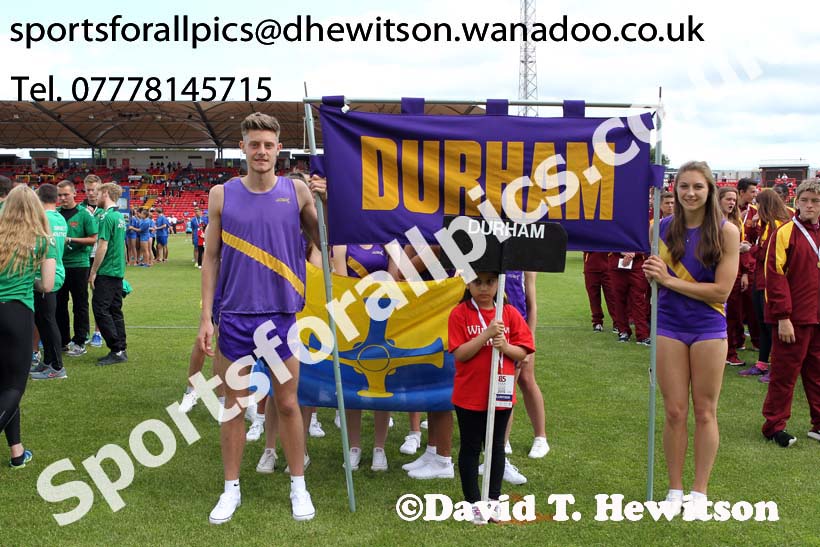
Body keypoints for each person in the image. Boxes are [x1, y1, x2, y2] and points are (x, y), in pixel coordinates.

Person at [197, 112, 326, 524]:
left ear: (278, 148)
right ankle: (230, 489)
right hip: (233, 316)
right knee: (233, 406)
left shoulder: (298, 190)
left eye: (269, 145)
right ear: (243, 148)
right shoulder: (222, 194)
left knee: (287, 403)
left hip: (282, 316)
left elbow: (323, 239)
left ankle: (298, 484)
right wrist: (206, 317)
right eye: (255, 144)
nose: (262, 151)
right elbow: (211, 257)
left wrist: (326, 202)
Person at [642, 161, 739, 518]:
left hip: (709, 327)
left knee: (704, 410)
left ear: (710, 189)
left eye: (698, 186)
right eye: (684, 186)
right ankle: (675, 488)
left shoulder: (726, 232)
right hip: (668, 325)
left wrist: (668, 280)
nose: (690, 193)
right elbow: (653, 278)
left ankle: (700, 491)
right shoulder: (660, 229)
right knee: (674, 411)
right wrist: (654, 275)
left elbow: (722, 290)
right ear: (675, 189)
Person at [448, 271, 534, 525]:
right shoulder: (459, 313)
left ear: (498, 283)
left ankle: (493, 500)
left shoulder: (509, 313)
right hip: (469, 395)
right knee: (471, 447)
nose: (484, 288)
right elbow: (460, 354)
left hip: (501, 393)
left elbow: (524, 352)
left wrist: (505, 346)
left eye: (489, 282)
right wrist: (486, 335)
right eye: (478, 282)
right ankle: (474, 503)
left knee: (496, 447)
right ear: (468, 284)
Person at [760, 179, 820, 447]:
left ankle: (818, 424)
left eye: (815, 201)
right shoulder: (785, 232)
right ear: (797, 201)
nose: (809, 205)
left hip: (817, 317)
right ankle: (774, 426)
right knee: (785, 375)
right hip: (793, 320)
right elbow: (774, 277)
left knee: (817, 374)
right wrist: (783, 317)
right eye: (804, 200)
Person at [0, 186, 56, 469]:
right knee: (13, 386)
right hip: (17, 313)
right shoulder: (42, 239)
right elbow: (47, 285)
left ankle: (17, 452)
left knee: (4, 384)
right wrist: (27, 282)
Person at [331, 243, 396, 471]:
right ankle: (354, 447)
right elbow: (340, 282)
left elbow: (394, 279)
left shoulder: (386, 241)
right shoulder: (342, 243)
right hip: (353, 319)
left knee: (381, 381)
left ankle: (380, 447)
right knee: (353, 383)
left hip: (383, 317)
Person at [738, 190, 792, 381]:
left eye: (758, 203)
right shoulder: (767, 224)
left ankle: (777, 367)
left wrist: (749, 249)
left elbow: (768, 255)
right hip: (760, 281)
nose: (755, 207)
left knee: (772, 325)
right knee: (763, 323)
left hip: (770, 282)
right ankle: (762, 364)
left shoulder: (778, 225)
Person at [502, 270, 549, 469]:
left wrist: (528, 342)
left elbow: (531, 303)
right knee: (503, 384)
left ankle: (540, 437)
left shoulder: (526, 257)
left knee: (523, 381)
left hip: (519, 330)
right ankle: (501, 440)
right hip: (496, 327)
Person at [55, 180, 98, 357]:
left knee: (80, 304)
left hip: (79, 265)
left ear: (74, 194)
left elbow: (93, 238)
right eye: (59, 195)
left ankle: (80, 341)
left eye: (66, 194)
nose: (63, 198)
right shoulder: (54, 214)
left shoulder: (84, 214)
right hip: (58, 265)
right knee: (59, 305)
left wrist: (71, 240)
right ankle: (63, 340)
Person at [30, 184, 68, 380]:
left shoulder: (43, 219)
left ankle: (57, 366)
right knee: (44, 321)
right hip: (56, 272)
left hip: (46, 275)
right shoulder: (60, 218)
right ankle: (48, 361)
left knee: (47, 321)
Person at [89, 183, 128, 365]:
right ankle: (121, 348)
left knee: (100, 309)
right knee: (114, 310)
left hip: (107, 270)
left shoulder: (106, 217)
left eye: (97, 192)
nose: (95, 196)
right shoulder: (119, 216)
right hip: (117, 270)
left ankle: (116, 348)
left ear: (105, 193)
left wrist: (93, 271)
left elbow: (102, 245)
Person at [717, 187, 746, 367]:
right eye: (728, 199)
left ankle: (731, 351)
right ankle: (726, 352)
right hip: (716, 274)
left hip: (735, 273)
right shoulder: (710, 223)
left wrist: (745, 273)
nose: (732, 203)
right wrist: (737, 248)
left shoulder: (736, 222)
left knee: (734, 314)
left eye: (734, 200)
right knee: (722, 314)